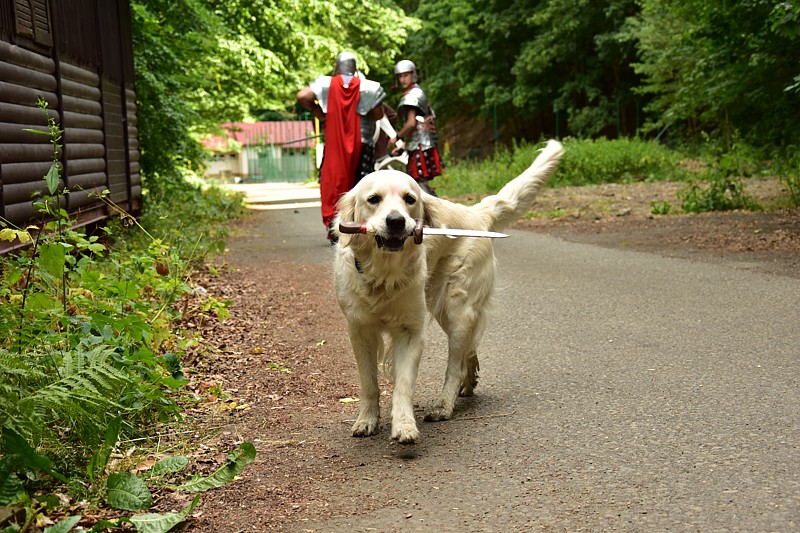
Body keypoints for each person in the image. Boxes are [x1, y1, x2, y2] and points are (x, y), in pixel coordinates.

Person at [297, 52, 386, 244]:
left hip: (335, 143)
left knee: (335, 182)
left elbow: (303, 95)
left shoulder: (326, 84)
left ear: (337, 67)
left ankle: (337, 228)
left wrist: (320, 112)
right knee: (363, 187)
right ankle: (363, 228)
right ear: (354, 69)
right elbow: (378, 114)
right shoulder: (368, 87)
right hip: (363, 143)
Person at [388, 60, 444, 195]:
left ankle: (433, 213)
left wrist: (397, 137)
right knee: (416, 180)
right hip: (420, 142)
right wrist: (402, 147)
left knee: (418, 181)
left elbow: (411, 124)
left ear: (413, 74)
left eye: (406, 75)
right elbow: (416, 127)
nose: (403, 79)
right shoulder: (416, 91)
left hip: (421, 144)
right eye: (400, 76)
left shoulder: (412, 95)